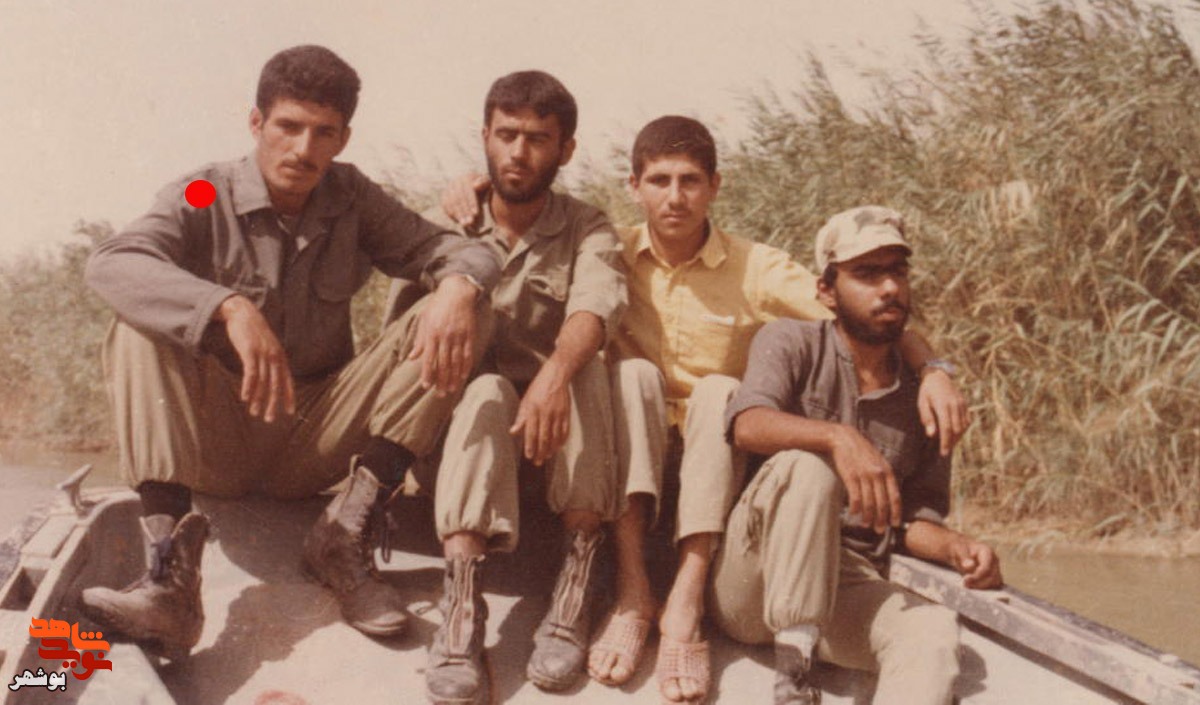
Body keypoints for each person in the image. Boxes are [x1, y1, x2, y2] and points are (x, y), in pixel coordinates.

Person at [440, 115, 968, 704]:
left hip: (716, 475)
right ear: (634, 187)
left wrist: (934, 370)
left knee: (718, 390)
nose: (675, 198)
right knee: (633, 375)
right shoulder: (609, 250)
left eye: (690, 181)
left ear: (715, 186)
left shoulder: (757, 267)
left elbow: (864, 308)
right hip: (625, 469)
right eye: (659, 181)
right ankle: (633, 594)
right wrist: (472, 191)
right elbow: (525, 231)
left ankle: (686, 604)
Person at [80, 45, 501, 661]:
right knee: (136, 329)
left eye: (323, 132)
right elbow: (115, 262)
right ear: (256, 123)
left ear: (343, 139)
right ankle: (168, 580)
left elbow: (463, 252)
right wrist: (227, 306)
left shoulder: (352, 197)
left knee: (468, 305)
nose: (304, 149)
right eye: (288, 126)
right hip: (214, 442)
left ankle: (344, 534)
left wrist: (458, 287)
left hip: (312, 440)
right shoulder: (205, 191)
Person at [715, 205, 1002, 705]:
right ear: (827, 291)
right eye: (867, 274)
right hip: (754, 579)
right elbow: (747, 424)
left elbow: (910, 520)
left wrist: (957, 547)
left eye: (897, 272)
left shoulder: (924, 396)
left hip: (842, 583)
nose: (889, 288)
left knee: (932, 632)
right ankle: (795, 678)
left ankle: (807, 650)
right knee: (808, 466)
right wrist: (837, 437)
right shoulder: (792, 341)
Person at [408, 71, 626, 705]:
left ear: (566, 149)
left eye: (537, 139)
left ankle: (575, 586)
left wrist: (553, 376)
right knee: (485, 392)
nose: (518, 153)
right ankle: (460, 608)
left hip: (551, 447)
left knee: (585, 362)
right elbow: (405, 342)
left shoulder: (587, 226)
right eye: (506, 135)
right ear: (484, 136)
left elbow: (596, 304)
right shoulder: (446, 223)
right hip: (461, 451)